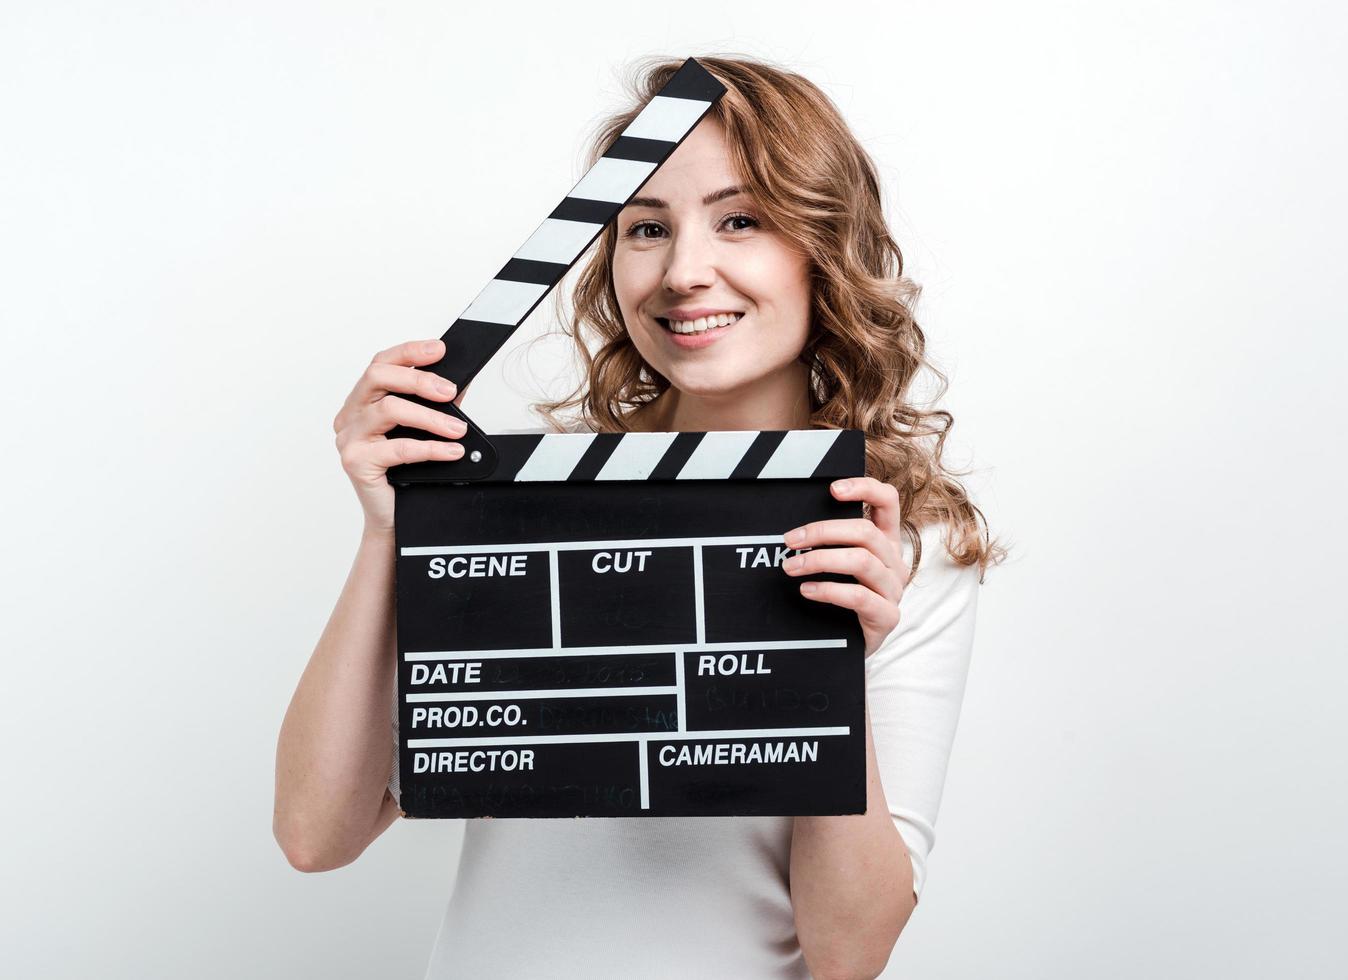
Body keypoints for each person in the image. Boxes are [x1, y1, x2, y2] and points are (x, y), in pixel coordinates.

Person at [274, 54, 1003, 979]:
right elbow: (315, 835)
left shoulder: (896, 545)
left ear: (824, 246)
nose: (683, 272)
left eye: (740, 219)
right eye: (645, 228)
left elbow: (848, 952)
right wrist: (388, 530)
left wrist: (823, 672)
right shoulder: (524, 511)